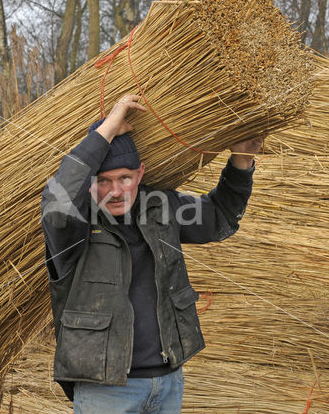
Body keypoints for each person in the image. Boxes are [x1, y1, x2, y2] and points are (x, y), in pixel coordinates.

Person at [41, 94, 262, 414]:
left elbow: (220, 219)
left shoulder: (161, 206)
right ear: (89, 184)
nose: (116, 191)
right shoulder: (74, 225)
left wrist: (241, 161)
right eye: (104, 181)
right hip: (106, 390)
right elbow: (56, 203)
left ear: (140, 175)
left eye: (124, 179)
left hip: (167, 383)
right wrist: (104, 131)